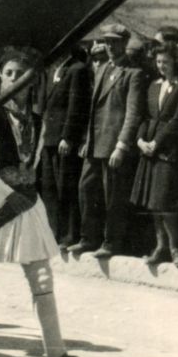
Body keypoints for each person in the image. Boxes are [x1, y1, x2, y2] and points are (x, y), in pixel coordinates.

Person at [0, 48, 98, 357]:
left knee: (41, 277)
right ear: (1, 77)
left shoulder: (37, 120)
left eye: (23, 75)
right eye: (10, 73)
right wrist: (5, 195)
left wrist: (25, 192)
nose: (16, 79)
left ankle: (56, 356)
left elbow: (34, 161)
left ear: (33, 81)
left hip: (27, 202)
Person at [71, 24, 145, 259]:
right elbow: (94, 109)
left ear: (124, 43)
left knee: (112, 196)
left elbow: (132, 114)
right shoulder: (102, 68)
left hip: (113, 146)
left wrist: (122, 146)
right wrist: (87, 140)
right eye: (107, 41)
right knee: (86, 189)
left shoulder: (134, 73)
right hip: (95, 143)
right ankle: (88, 238)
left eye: (114, 42)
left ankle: (111, 242)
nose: (110, 46)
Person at [130, 42, 178, 268]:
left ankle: (175, 247)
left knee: (166, 201)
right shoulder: (153, 86)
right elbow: (145, 117)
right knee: (153, 203)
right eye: (158, 62)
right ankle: (160, 246)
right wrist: (140, 141)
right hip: (148, 147)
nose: (161, 66)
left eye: (166, 62)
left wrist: (157, 143)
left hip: (169, 150)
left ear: (176, 62)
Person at [38, 44, 90, 249]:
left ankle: (69, 234)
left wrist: (68, 136)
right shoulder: (52, 70)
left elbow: (76, 105)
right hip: (48, 136)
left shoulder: (77, 69)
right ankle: (53, 232)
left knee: (66, 186)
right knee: (49, 188)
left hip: (63, 139)